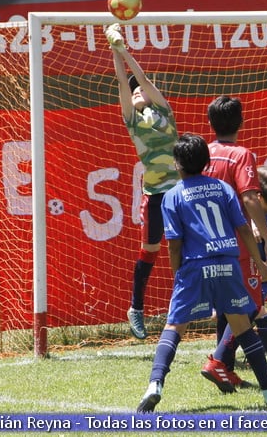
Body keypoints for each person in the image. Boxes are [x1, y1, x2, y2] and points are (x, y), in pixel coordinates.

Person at [136, 133, 267, 412]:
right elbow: (242, 228)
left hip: (195, 265)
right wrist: (259, 261)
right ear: (206, 163)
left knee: (174, 326)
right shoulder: (223, 189)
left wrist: (177, 271)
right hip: (228, 264)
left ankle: (155, 384)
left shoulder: (172, 196)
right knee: (242, 327)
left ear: (176, 164)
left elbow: (175, 243)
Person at [106, 24, 179, 339]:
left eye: (141, 90)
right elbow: (124, 80)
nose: (136, 90)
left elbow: (142, 78)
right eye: (133, 91)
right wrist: (114, 50)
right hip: (155, 195)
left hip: (179, 193)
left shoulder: (163, 112)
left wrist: (126, 51)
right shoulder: (132, 121)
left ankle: (194, 305)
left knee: (188, 248)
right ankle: (136, 308)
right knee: (149, 250)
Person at [199, 95, 267, 385]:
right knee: (250, 304)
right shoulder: (241, 154)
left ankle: (226, 369)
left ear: (210, 123)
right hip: (236, 243)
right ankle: (217, 360)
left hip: (206, 242)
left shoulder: (203, 153)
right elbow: (249, 196)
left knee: (226, 305)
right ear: (241, 122)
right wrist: (266, 238)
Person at [201, 166, 267, 393]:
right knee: (232, 313)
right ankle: (226, 368)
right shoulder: (254, 214)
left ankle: (221, 362)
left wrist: (256, 280)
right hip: (242, 277)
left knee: (246, 313)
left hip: (256, 280)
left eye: (249, 192)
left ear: (257, 197)